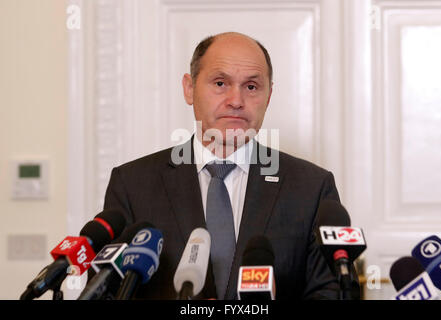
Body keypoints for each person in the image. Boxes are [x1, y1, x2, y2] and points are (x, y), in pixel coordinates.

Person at [103, 32, 345, 299]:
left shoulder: (310, 187)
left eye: (251, 87)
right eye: (220, 83)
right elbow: (109, 290)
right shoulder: (133, 184)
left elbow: (331, 292)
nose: (236, 100)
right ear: (189, 88)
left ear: (269, 95)